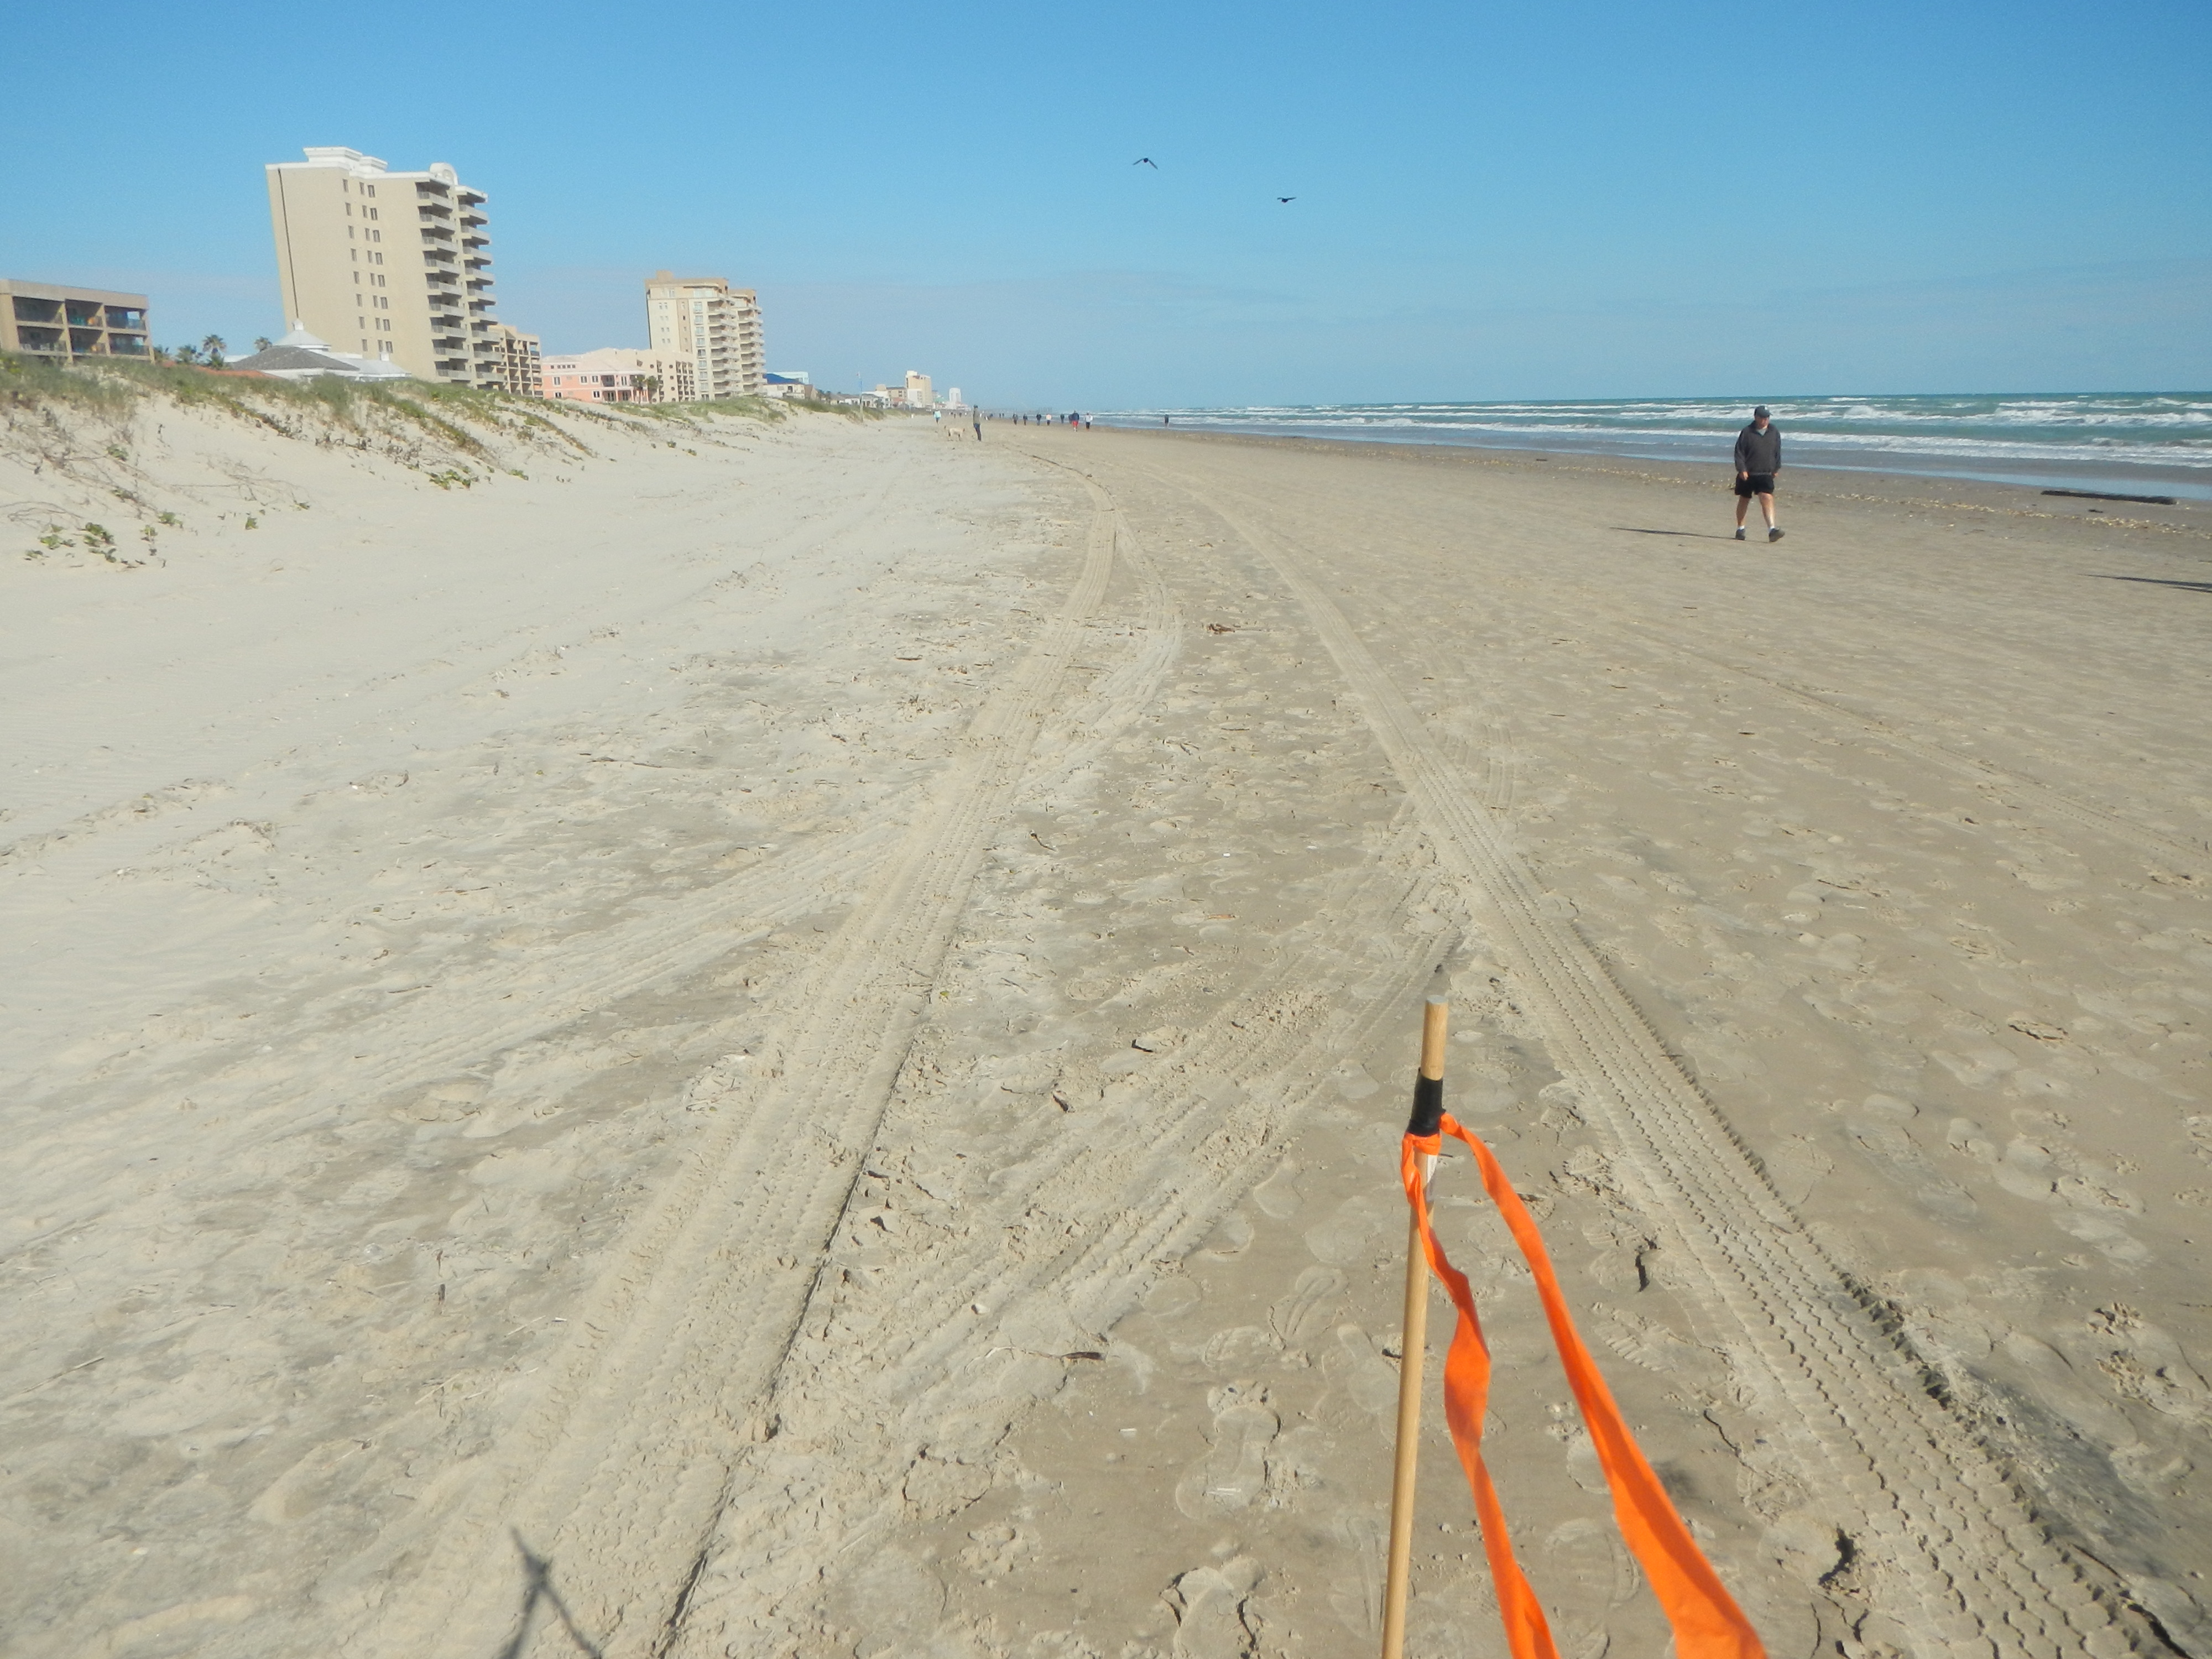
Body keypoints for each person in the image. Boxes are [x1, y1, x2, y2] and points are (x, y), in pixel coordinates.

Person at [1733, 406, 1783, 542]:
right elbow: (1739, 452)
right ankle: (1740, 528)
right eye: (1762, 417)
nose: (1765, 420)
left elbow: (1777, 451)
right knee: (1744, 499)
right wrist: (1742, 469)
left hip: (1765, 473)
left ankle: (1772, 529)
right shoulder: (1747, 432)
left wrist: (1776, 468)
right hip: (1748, 473)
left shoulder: (1774, 431)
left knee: (1767, 497)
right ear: (1756, 417)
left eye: (1767, 417)